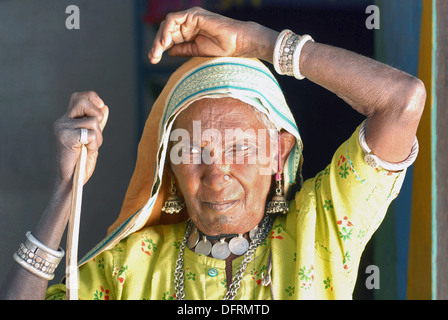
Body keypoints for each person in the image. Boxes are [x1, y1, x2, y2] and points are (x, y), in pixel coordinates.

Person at [0, 7, 425, 300]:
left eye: (241, 147)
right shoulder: (130, 267)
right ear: (169, 165)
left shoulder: (321, 230)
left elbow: (401, 100)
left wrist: (256, 40)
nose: (216, 173)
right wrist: (65, 192)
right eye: (195, 151)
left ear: (278, 153)